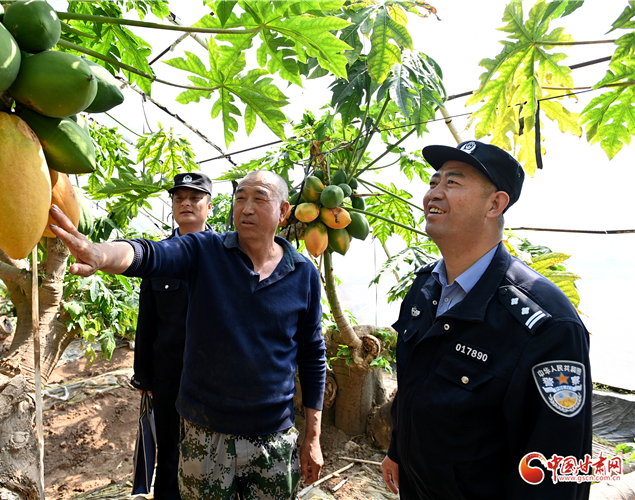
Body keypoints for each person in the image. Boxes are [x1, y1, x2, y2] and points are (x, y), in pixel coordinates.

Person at [50, 170, 326, 500]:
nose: (246, 208)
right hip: (205, 434)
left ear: (283, 212)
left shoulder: (303, 273)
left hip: (273, 437)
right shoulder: (204, 251)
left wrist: (313, 436)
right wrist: (102, 254)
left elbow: (312, 353)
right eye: (240, 198)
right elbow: (149, 254)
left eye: (259, 198)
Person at [380, 141, 592, 499]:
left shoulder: (546, 325)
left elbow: (556, 468)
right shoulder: (424, 288)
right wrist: (398, 449)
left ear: (494, 205)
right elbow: (415, 383)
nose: (434, 192)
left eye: (453, 182)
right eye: (434, 181)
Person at [131, 172, 214, 500]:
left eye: (194, 198)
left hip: (214, 375)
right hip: (169, 375)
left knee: (214, 448)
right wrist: (144, 376)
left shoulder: (226, 255)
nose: (186, 204)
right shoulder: (159, 256)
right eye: (179, 198)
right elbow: (147, 321)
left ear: (209, 206)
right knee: (169, 450)